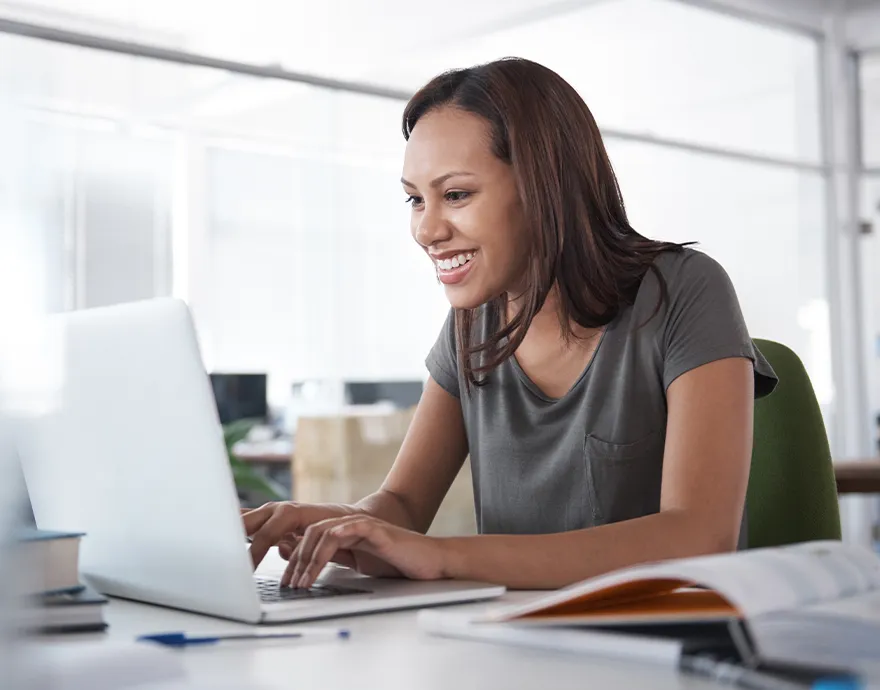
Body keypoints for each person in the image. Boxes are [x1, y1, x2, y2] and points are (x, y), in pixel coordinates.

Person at [243, 57, 778, 591]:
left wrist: (444, 556)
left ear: (544, 187)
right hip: (509, 641)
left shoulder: (683, 290)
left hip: (665, 648)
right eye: (414, 199)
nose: (426, 229)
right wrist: (334, 525)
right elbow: (403, 505)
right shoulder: (469, 326)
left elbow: (700, 538)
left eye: (455, 194)